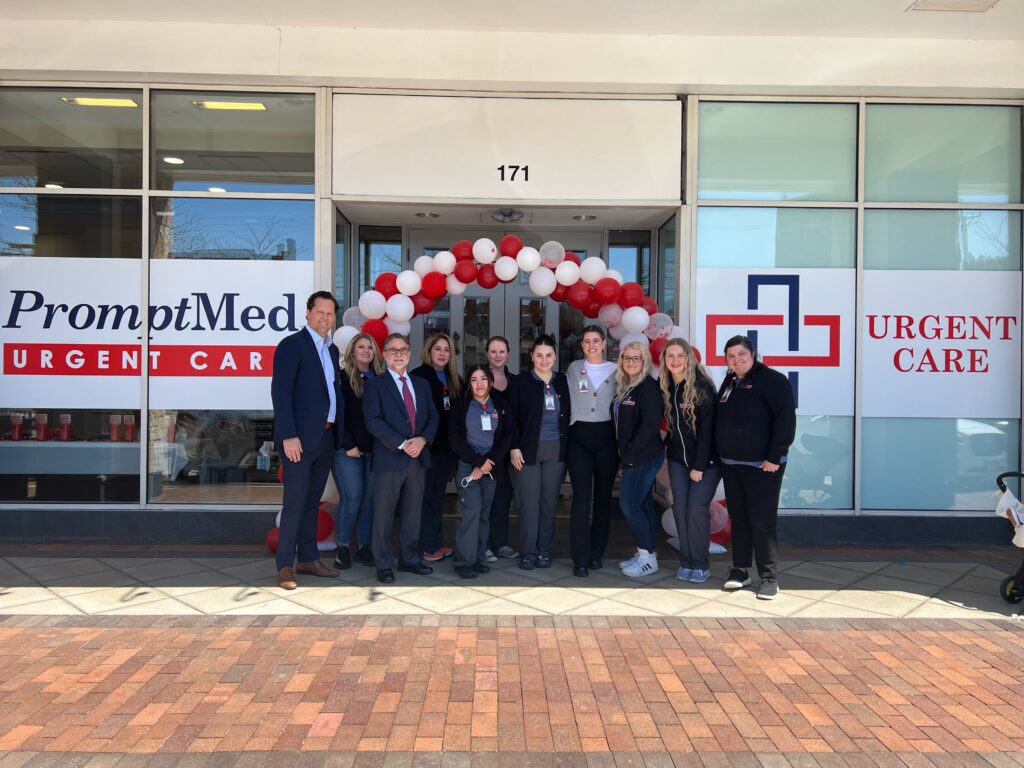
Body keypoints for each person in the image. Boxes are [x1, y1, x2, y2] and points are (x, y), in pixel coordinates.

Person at [270, 290, 343, 590]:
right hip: (298, 440)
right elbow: (281, 393)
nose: (325, 318)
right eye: (320, 312)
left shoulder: (333, 350)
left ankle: (309, 558)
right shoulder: (291, 346)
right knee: (295, 502)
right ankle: (285, 565)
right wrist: (288, 435)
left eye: (330, 313)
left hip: (325, 437)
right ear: (308, 313)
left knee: (313, 502)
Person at [716, 335, 796, 601]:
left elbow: (785, 421)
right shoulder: (730, 381)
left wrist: (775, 456)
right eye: (731, 356)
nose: (736, 360)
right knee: (738, 518)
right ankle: (740, 570)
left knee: (762, 521)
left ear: (753, 354)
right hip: (732, 464)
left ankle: (769, 577)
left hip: (763, 466)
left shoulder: (774, 381)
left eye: (741, 355)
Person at [363, 333, 439, 584]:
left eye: (403, 349)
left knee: (412, 513)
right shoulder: (375, 385)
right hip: (390, 459)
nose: (398, 354)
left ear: (410, 353)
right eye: (393, 350)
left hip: (417, 459)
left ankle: (409, 559)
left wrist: (423, 440)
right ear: (384, 355)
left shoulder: (421, 384)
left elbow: (432, 417)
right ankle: (383, 563)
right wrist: (403, 442)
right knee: (383, 514)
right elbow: (373, 420)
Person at [660, 338, 721, 583]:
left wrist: (699, 466)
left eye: (680, 356)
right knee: (680, 509)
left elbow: (708, 432)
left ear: (689, 358)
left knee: (696, 510)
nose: (675, 361)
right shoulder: (665, 386)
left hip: (705, 463)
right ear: (664, 360)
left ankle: (701, 564)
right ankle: (686, 562)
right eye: (670, 356)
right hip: (677, 460)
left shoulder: (701, 386)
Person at [508, 334, 570, 570]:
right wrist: (514, 446)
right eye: (539, 355)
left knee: (548, 503)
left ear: (555, 357)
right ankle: (528, 552)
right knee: (528, 503)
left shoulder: (562, 381)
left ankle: (545, 551)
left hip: (556, 449)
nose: (544, 360)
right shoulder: (521, 382)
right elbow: (511, 418)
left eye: (549, 355)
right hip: (527, 450)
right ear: (532, 357)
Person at [448, 365, 514, 579]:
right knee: (471, 512)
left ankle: (476, 557)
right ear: (469, 383)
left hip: (491, 468)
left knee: (484, 514)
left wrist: (488, 462)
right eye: (474, 379)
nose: (479, 384)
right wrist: (477, 462)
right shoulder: (462, 406)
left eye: (483, 379)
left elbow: (506, 438)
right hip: (468, 466)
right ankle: (463, 561)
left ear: (491, 382)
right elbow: (455, 439)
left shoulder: (500, 405)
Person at [565, 325, 619, 577]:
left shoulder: (618, 370)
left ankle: (597, 553)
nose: (592, 345)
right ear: (582, 345)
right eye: (587, 341)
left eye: (596, 340)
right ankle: (580, 558)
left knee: (603, 498)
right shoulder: (574, 369)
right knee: (581, 498)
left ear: (604, 343)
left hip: (607, 437)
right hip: (579, 438)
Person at [331, 333, 384, 570]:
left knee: (369, 500)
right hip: (347, 451)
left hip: (376, 452)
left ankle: (364, 548)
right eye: (360, 347)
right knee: (352, 498)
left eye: (369, 347)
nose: (365, 351)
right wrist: (347, 443)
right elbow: (337, 415)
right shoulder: (340, 379)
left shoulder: (382, 379)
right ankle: (343, 547)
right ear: (352, 352)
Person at [613, 341, 664, 577]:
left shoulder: (648, 388)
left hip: (643, 456)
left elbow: (650, 425)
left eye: (636, 358)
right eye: (627, 358)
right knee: (642, 505)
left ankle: (647, 558)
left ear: (644, 361)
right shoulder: (629, 385)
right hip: (634, 456)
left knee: (629, 506)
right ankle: (647, 551)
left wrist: (630, 454)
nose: (631, 362)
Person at [411, 332, 461, 562]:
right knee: (427, 499)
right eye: (437, 349)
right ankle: (427, 546)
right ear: (428, 351)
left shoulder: (454, 379)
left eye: (446, 350)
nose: (442, 353)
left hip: (447, 450)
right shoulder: (418, 377)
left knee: (437, 498)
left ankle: (435, 542)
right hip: (425, 449)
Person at [483, 335, 519, 562]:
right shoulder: (477, 378)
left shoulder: (515, 381)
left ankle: (500, 543)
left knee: (503, 498)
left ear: (508, 354)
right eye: (493, 351)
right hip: (483, 450)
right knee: (484, 499)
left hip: (507, 451)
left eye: (501, 351)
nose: (497, 355)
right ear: (487, 354)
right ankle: (483, 544)